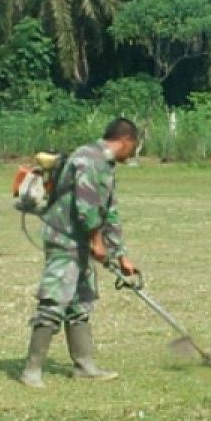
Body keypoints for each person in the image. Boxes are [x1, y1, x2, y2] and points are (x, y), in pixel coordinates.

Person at [20, 117, 141, 388]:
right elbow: (86, 208)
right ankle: (32, 370)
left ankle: (84, 366)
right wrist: (97, 242)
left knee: (80, 303)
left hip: (82, 240)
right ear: (126, 141)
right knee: (54, 301)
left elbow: (109, 210)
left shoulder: (106, 165)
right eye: (134, 148)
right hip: (64, 238)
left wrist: (121, 255)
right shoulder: (87, 160)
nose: (133, 155)